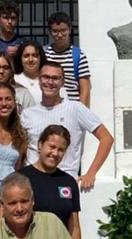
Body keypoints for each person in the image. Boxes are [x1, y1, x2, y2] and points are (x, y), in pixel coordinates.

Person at [21, 61, 114, 192]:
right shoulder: (27, 114)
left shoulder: (75, 108)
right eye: (46, 77)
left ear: (62, 82)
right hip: (32, 182)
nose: (50, 82)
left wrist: (91, 173)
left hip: (64, 182)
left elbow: (106, 138)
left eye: (55, 78)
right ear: (39, 79)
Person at [43, 12, 90, 106]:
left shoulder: (78, 55)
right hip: (48, 108)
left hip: (72, 108)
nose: (60, 35)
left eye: (63, 30)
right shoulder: (44, 54)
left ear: (70, 30)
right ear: (50, 31)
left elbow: (85, 88)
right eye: (55, 31)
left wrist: (81, 112)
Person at [0, 50, 35, 119]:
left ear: (11, 71)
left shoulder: (23, 94)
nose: (1, 71)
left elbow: (33, 119)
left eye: (5, 68)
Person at [14, 40, 52, 105]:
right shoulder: (14, 80)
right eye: (26, 56)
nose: (30, 59)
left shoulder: (50, 80)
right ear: (20, 58)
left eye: (34, 55)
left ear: (41, 58)